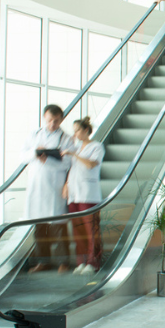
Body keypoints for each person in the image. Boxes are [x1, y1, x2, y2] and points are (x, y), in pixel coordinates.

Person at [22, 104, 71, 273]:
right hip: (37, 187)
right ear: (44, 117)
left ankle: (63, 261)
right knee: (39, 227)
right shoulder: (34, 135)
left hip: (54, 187)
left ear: (61, 120)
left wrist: (48, 160)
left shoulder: (66, 138)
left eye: (56, 121)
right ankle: (43, 261)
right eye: (50, 120)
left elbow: (67, 163)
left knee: (59, 227)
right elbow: (23, 156)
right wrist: (36, 153)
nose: (52, 124)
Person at [62, 116, 105, 276]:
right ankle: (81, 262)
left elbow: (90, 164)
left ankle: (93, 263)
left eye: (78, 130)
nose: (75, 134)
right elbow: (73, 169)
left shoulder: (96, 146)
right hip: (74, 194)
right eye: (74, 131)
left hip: (88, 194)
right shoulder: (77, 148)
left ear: (86, 130)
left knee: (90, 230)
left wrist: (74, 154)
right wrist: (66, 185)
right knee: (77, 230)